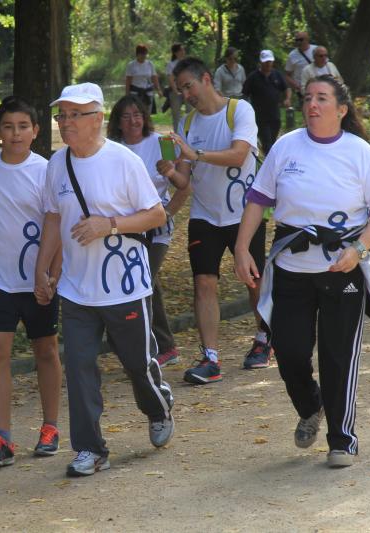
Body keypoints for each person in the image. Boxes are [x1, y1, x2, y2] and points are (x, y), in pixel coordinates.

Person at [234, 76, 370, 468]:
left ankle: (343, 439)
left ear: (341, 109)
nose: (313, 104)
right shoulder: (286, 146)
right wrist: (242, 247)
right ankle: (311, 405)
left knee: (337, 355)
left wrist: (359, 251)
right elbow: (258, 199)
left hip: (342, 268)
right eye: (308, 98)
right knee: (289, 352)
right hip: (292, 268)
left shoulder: (359, 152)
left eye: (322, 98)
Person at [34, 82, 174, 477]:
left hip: (125, 287)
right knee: (78, 368)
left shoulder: (123, 161)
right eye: (61, 115)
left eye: (74, 115)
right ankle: (91, 450)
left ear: (97, 118)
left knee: (137, 365)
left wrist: (108, 225)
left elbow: (156, 215)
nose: (65, 123)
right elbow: (53, 218)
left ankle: (158, 407)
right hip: (77, 290)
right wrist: (42, 269)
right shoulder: (56, 164)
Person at [0, 96, 63, 468]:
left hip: (38, 282)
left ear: (36, 131)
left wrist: (52, 275)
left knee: (46, 351)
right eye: (8, 126)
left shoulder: (48, 170)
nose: (15, 133)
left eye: (23, 126)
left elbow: (59, 225)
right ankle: (1, 437)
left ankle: (50, 427)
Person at [158, 57, 269, 384]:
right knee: (203, 282)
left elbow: (238, 154)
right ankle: (211, 358)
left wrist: (195, 155)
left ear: (206, 79)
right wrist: (170, 172)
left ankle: (264, 338)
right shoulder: (188, 125)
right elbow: (185, 180)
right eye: (180, 90)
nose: (186, 94)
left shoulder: (240, 111)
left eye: (188, 86)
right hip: (205, 216)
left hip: (244, 214)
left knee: (252, 281)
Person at [107, 95, 189, 367]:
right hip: (125, 228)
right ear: (118, 122)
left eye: (138, 114)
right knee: (144, 283)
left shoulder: (160, 144)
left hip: (157, 229)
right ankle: (154, 346)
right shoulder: (111, 150)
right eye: (127, 116)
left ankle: (159, 347)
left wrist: (167, 209)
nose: (134, 120)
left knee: (144, 280)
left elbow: (184, 185)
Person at [242, 50, 292, 155]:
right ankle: (269, 164)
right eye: (265, 62)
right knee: (267, 143)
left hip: (275, 115)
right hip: (260, 117)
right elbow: (245, 94)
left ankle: (270, 160)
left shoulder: (277, 75)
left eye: (270, 61)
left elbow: (287, 88)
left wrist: (287, 99)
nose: (268, 64)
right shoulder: (253, 77)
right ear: (261, 62)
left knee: (272, 141)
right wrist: (246, 109)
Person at [125, 44, 160, 114]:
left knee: (147, 114)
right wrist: (127, 94)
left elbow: (154, 77)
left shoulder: (150, 64)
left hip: (148, 93)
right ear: (137, 54)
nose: (143, 56)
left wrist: (158, 90)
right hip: (135, 93)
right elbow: (128, 81)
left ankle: (147, 125)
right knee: (137, 112)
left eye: (145, 54)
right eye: (142, 54)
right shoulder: (131, 65)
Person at [284, 31, 317, 106]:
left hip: (318, 87)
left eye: (301, 39)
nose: (298, 42)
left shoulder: (316, 50)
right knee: (306, 112)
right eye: (297, 40)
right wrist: (297, 86)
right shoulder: (292, 55)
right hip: (302, 91)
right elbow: (287, 75)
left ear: (307, 39)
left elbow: (325, 65)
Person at [165, 42, 187, 128]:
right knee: (176, 115)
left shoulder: (187, 63)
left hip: (187, 90)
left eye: (183, 50)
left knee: (191, 112)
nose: (183, 52)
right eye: (181, 50)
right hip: (175, 91)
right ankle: (177, 136)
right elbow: (171, 79)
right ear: (176, 52)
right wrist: (176, 91)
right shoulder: (171, 64)